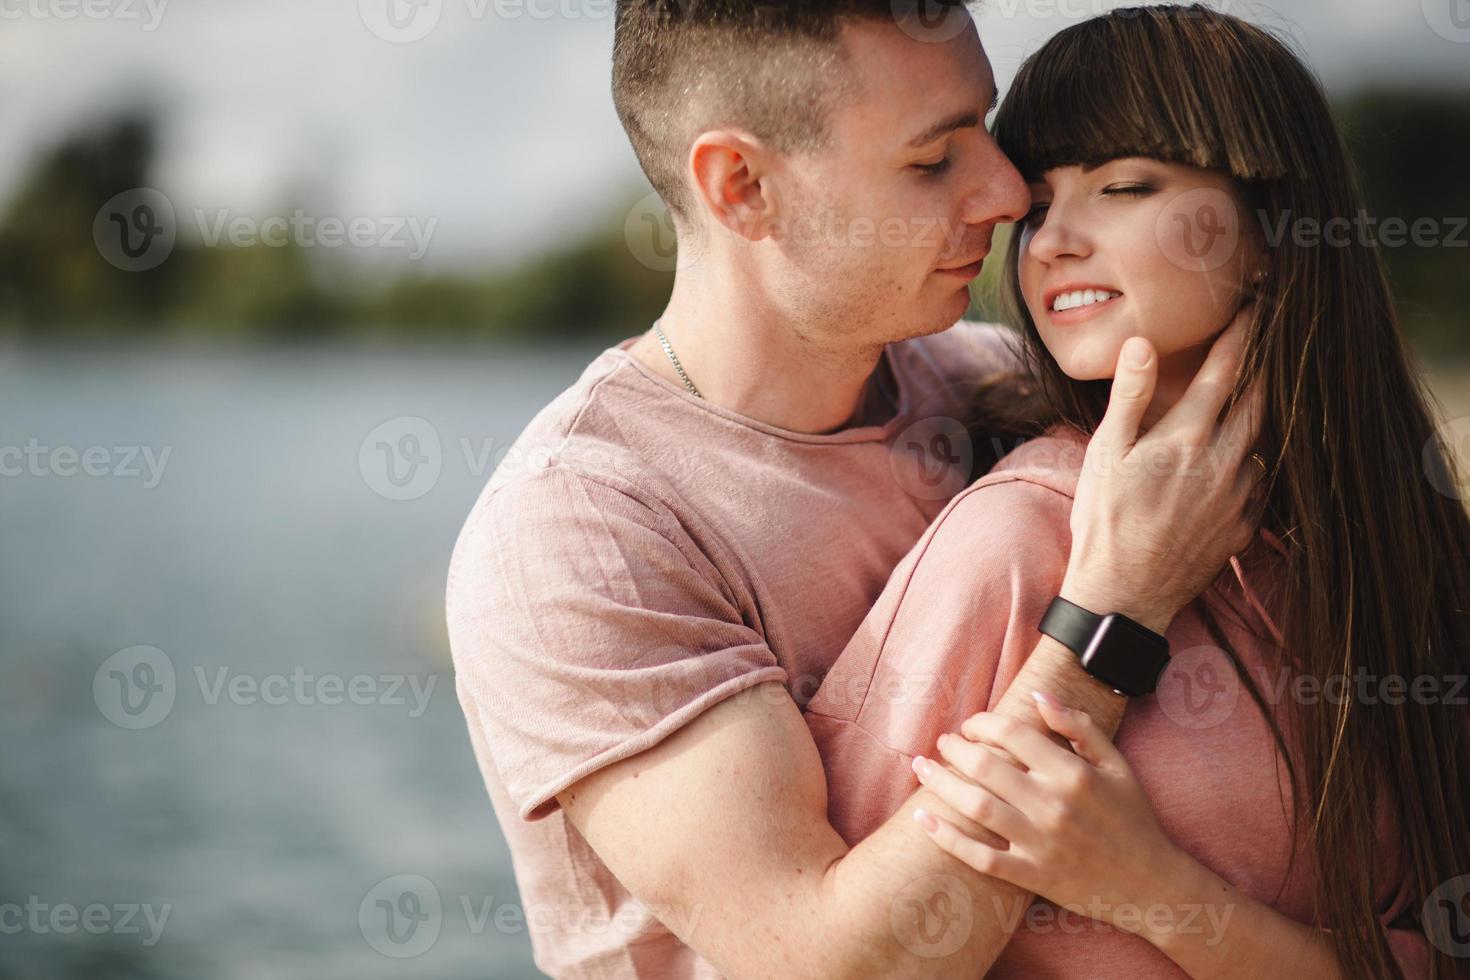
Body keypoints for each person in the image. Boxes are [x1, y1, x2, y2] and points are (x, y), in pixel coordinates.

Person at [445, 3, 1263, 976]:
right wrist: (1120, 609)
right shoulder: (581, 528)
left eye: (984, 128)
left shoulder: (995, 381)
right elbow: (835, 964)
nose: (1007, 193)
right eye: (932, 159)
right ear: (742, 187)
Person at [806, 6, 1470, 978]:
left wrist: (1156, 890)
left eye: (1121, 186)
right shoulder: (1017, 539)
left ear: (1275, 225)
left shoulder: (1415, 546)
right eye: (1036, 204)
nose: (1052, 242)